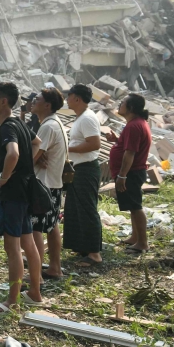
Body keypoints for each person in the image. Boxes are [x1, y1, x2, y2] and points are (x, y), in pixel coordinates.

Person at [0, 82, 45, 313]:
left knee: (12, 247)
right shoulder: (19, 123)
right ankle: (35, 293)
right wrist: (23, 169)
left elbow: (13, 153)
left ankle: (12, 301)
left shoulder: (7, 127)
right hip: (26, 189)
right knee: (28, 242)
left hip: (13, 192)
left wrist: (5, 176)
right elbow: (36, 143)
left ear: (3, 102)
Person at [64, 84, 103, 268]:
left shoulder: (87, 118)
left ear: (77, 98)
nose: (67, 99)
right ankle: (83, 247)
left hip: (87, 168)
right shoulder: (81, 118)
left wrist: (66, 148)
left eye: (69, 96)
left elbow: (95, 144)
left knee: (87, 209)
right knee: (76, 208)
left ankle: (94, 253)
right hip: (78, 168)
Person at [30, 88, 67, 280]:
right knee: (52, 227)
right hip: (53, 183)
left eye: (37, 99)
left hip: (42, 185)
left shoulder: (48, 126)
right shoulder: (54, 123)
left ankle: (36, 275)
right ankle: (54, 267)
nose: (33, 101)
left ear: (47, 105)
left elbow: (33, 157)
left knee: (36, 228)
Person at [109, 93, 152, 254]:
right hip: (133, 172)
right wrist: (116, 141)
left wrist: (122, 176)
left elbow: (130, 153)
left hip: (132, 172)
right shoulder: (135, 124)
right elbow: (129, 146)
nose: (120, 105)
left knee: (135, 206)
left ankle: (142, 242)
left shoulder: (134, 126)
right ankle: (135, 237)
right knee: (132, 206)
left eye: (123, 103)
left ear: (131, 107)